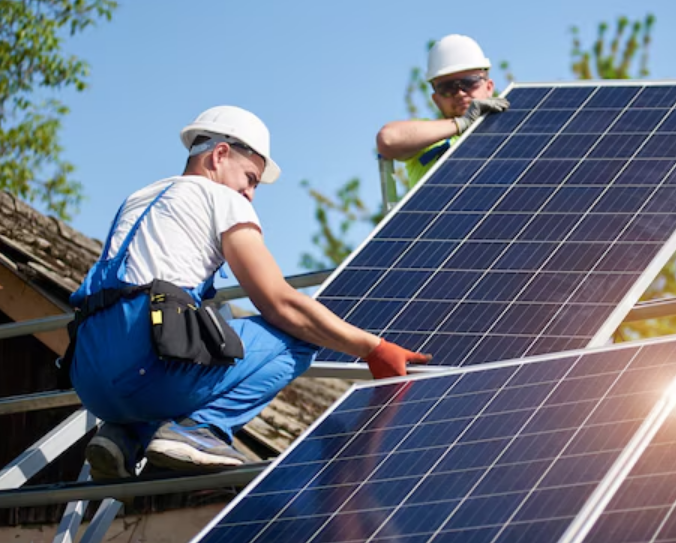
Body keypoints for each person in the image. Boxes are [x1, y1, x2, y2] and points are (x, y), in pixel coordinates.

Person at [67, 105, 431, 480]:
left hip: (89, 379)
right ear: (220, 154)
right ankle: (200, 430)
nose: (251, 194)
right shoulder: (222, 200)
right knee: (298, 336)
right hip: (146, 365)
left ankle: (125, 436)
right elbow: (280, 304)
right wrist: (373, 348)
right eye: (251, 178)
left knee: (207, 326)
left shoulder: (141, 198)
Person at [376, 34, 511, 189]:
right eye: (447, 88)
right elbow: (388, 139)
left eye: (470, 82)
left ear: (489, 87)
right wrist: (463, 123)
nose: (460, 93)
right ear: (436, 99)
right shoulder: (427, 137)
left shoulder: (515, 131)